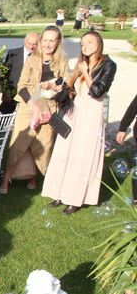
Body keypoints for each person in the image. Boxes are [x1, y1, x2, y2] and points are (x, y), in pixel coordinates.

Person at [42, 31, 116, 214]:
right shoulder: (80, 64)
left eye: (89, 42)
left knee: (82, 155)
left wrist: (86, 72)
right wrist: (66, 83)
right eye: (82, 44)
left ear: (99, 43)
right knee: (64, 151)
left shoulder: (108, 65)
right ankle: (59, 192)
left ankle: (75, 198)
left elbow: (98, 91)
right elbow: (68, 88)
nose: (85, 46)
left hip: (91, 112)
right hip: (74, 110)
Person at [1, 26, 70, 193]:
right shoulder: (32, 59)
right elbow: (21, 86)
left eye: (51, 40)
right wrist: (32, 104)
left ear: (58, 42)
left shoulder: (61, 61)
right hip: (28, 107)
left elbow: (66, 84)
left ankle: (38, 179)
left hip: (49, 108)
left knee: (44, 146)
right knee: (19, 144)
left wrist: (57, 85)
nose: (47, 44)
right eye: (45, 40)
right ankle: (5, 180)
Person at [0, 31, 39, 114]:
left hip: (31, 95)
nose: (31, 47)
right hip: (12, 94)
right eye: (29, 43)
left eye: (34, 44)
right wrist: (6, 92)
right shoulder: (13, 54)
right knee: (1, 118)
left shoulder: (40, 57)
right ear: (25, 42)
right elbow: (4, 75)